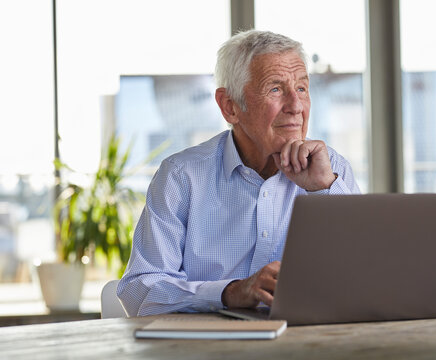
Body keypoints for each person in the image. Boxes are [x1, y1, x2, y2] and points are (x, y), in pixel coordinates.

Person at [117, 30, 360, 316]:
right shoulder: (181, 177)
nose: (296, 106)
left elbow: (367, 278)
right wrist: (230, 292)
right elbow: (140, 289)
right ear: (230, 106)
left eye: (302, 88)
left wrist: (323, 189)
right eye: (275, 89)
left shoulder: (333, 169)